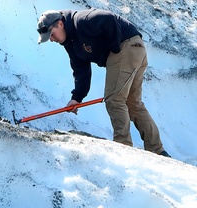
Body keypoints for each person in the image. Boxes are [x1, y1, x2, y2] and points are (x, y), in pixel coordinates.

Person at [37, 8, 169, 157]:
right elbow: (80, 70)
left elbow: (108, 19)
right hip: (136, 49)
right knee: (133, 104)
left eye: (52, 35)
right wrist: (77, 98)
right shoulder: (70, 43)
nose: (52, 39)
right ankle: (158, 150)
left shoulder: (82, 21)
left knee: (114, 99)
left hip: (126, 46)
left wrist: (115, 48)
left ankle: (123, 148)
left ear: (60, 24)